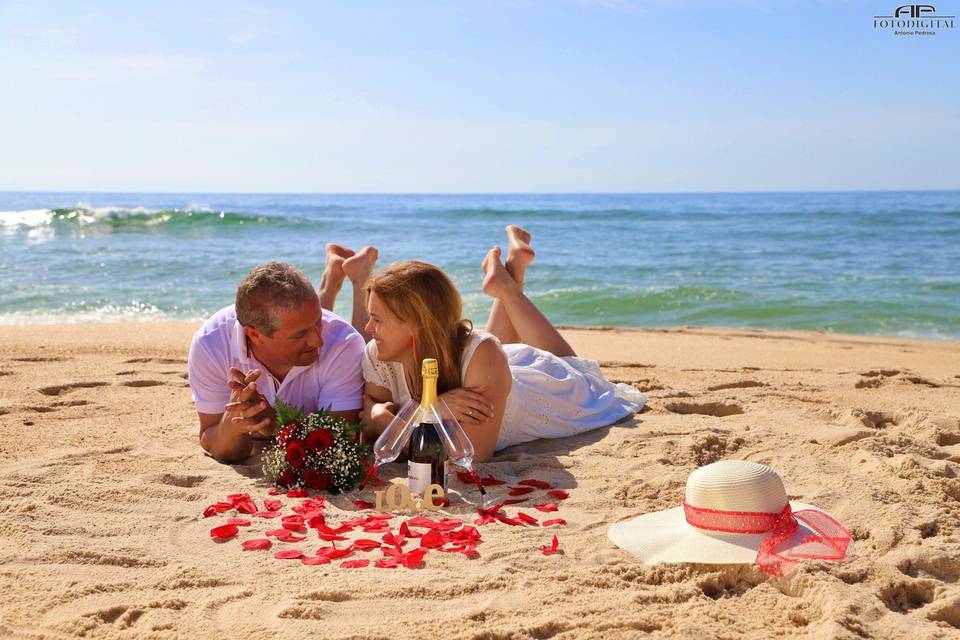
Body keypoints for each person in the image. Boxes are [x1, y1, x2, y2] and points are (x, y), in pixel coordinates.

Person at [359, 225, 645, 461]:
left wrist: (396, 419)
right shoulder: (379, 356)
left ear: (415, 322)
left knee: (581, 373)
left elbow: (472, 455)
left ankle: (508, 285)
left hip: (544, 395)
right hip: (494, 367)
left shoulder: (482, 354)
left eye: (377, 319)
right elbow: (369, 429)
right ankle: (509, 278)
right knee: (486, 351)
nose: (367, 328)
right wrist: (433, 409)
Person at [188, 248, 377, 464]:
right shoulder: (211, 344)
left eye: (318, 323)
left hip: (343, 345)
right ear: (254, 335)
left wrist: (274, 424)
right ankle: (332, 278)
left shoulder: (343, 343)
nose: (318, 341)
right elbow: (216, 444)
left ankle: (355, 278)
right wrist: (234, 424)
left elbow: (342, 443)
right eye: (300, 334)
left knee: (367, 350)